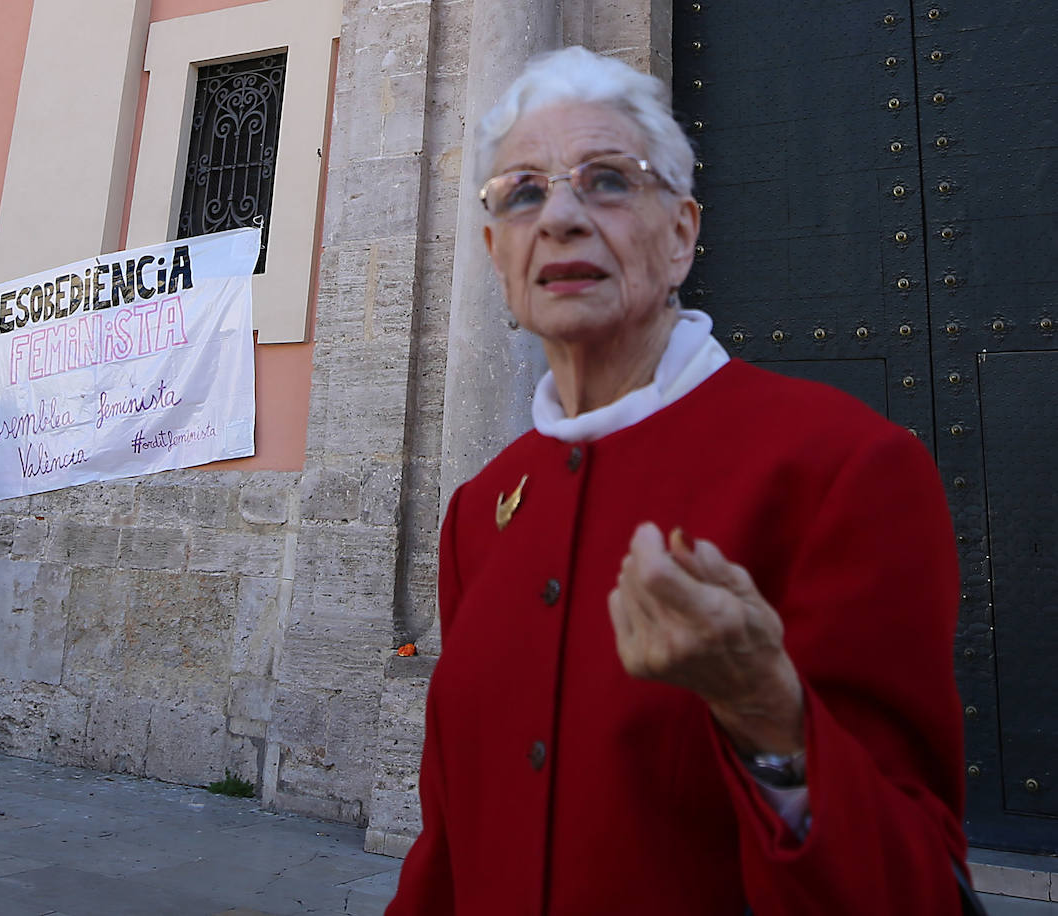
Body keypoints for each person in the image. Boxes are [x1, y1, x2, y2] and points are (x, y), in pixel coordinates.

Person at [387, 46, 968, 915]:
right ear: (495, 252)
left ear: (682, 234)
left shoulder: (843, 467)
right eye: (524, 192)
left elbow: (912, 885)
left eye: (610, 181)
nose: (563, 217)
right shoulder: (480, 512)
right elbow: (447, 850)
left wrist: (769, 716)